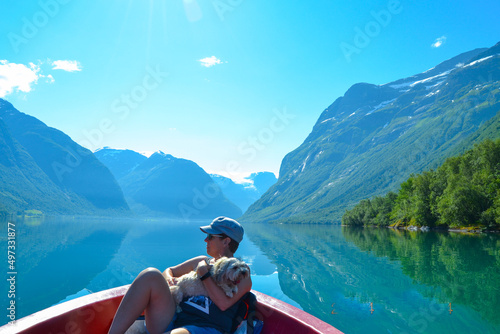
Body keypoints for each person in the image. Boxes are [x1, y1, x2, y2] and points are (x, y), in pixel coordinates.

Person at [108, 217, 252, 334]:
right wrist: (170, 279)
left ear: (226, 241)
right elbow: (169, 270)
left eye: (210, 236)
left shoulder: (241, 273)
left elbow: (223, 304)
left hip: (204, 327)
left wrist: (204, 274)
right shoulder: (200, 261)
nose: (205, 240)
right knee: (150, 274)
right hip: (174, 317)